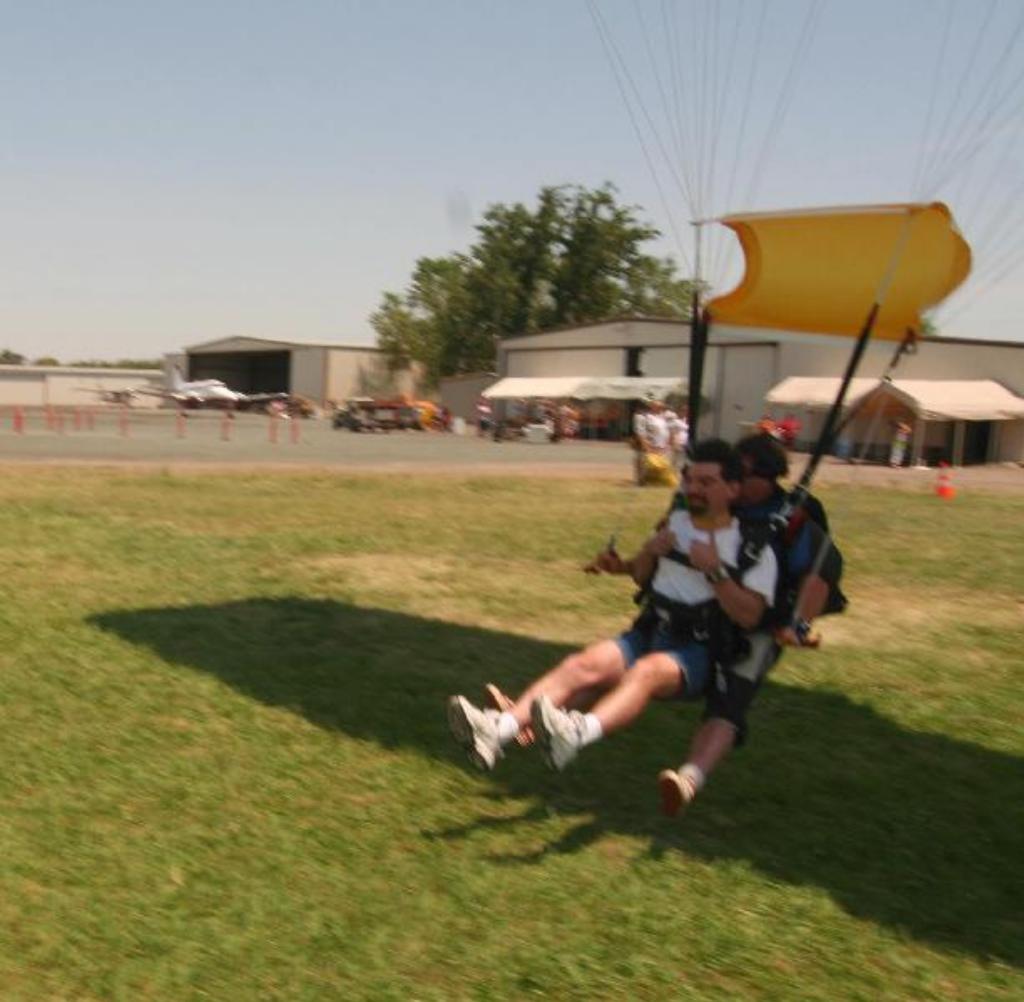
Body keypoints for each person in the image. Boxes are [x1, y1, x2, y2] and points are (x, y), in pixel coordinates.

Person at [483, 432, 845, 816]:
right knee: (595, 667)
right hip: (680, 619)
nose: (699, 488)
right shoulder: (692, 512)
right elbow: (660, 564)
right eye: (694, 479)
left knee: (728, 703)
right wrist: (625, 564)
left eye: (721, 479)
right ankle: (525, 723)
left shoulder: (787, 522)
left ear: (762, 479)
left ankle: (688, 778)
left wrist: (799, 625)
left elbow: (819, 576)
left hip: (755, 627)